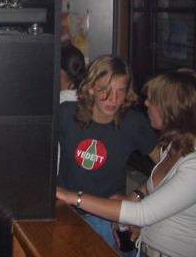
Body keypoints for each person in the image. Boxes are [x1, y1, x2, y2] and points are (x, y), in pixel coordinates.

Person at [57, 68, 196, 257]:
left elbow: (143, 214)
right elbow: (163, 182)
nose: (145, 103)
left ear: (170, 108)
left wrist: (73, 197)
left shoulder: (193, 165)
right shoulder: (176, 145)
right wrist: (135, 195)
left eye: (152, 100)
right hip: (146, 247)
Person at [57, 55, 160, 253]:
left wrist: (136, 196)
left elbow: (169, 168)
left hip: (109, 220)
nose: (113, 99)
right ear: (90, 88)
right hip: (66, 214)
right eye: (105, 90)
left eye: (120, 91)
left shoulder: (134, 123)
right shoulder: (66, 114)